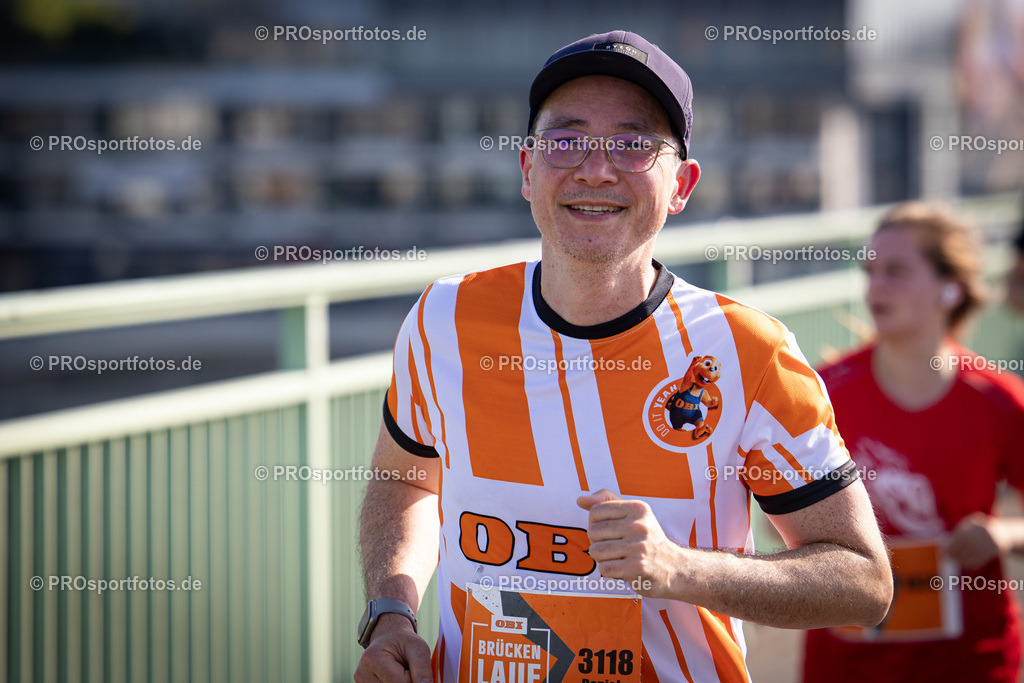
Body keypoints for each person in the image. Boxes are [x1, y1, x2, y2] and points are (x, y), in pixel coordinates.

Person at [355, 30, 892, 683]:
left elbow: (863, 580)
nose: (596, 169)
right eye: (566, 140)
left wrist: (682, 569)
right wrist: (391, 616)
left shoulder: (747, 351)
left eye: (634, 145)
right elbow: (405, 481)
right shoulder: (444, 318)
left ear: (682, 185)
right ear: (527, 169)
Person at [802, 203, 1024, 683]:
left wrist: (1002, 534)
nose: (875, 287)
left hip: (969, 661)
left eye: (897, 271)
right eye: (871, 272)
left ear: (950, 288)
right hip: (847, 664)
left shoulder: (998, 401)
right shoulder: (820, 393)